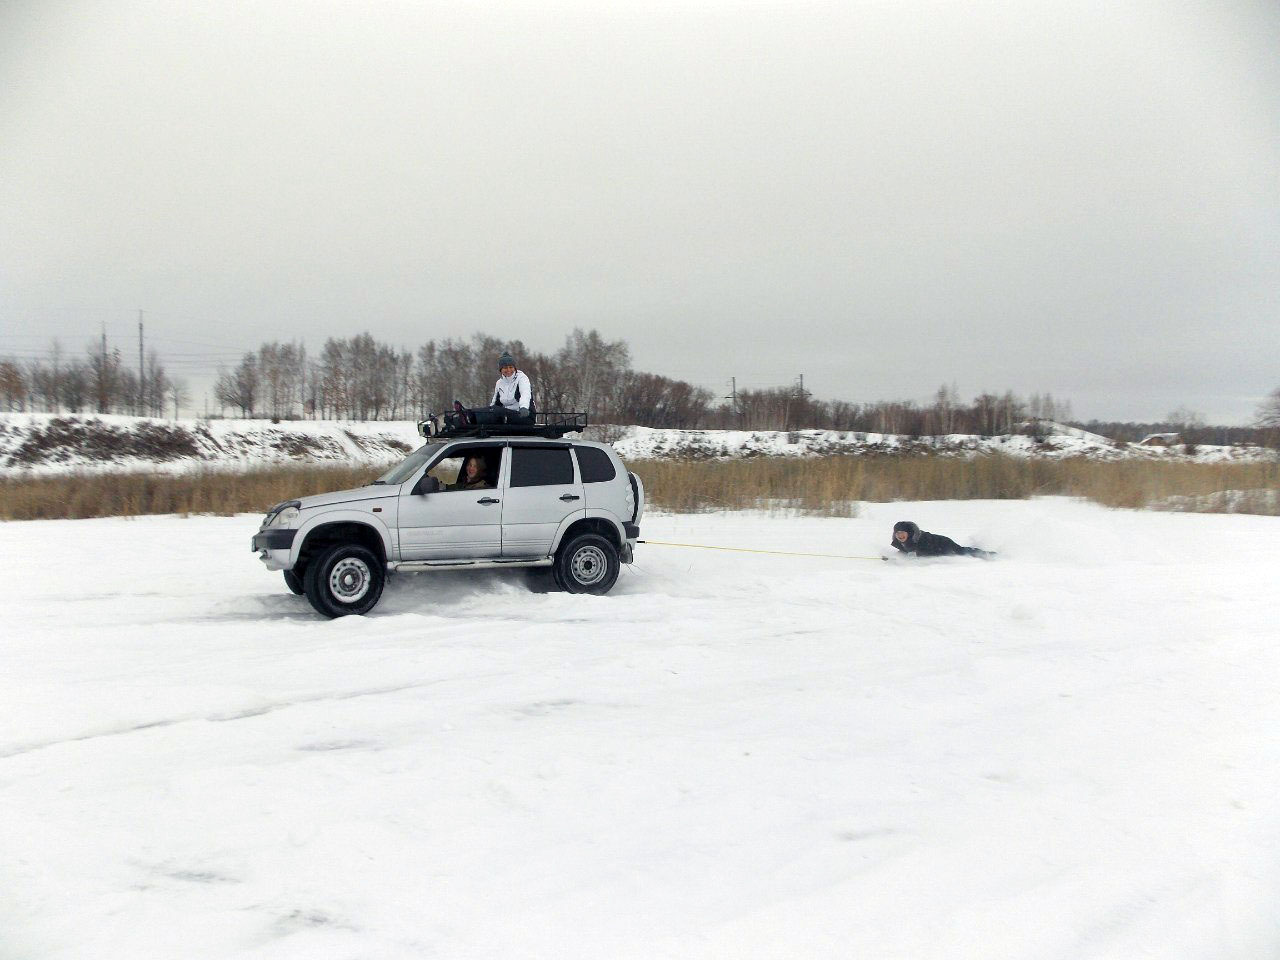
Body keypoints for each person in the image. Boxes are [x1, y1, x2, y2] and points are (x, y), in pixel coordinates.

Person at [469, 351, 534, 426]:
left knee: (497, 411)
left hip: (524, 415)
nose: (508, 370)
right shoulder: (499, 383)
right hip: (506, 415)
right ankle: (467, 415)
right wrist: (489, 411)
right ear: (501, 369)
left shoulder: (522, 379)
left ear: (514, 368)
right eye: (505, 368)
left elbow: (525, 394)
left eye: (511, 367)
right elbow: (494, 403)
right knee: (491, 410)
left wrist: (524, 407)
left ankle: (469, 418)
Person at [891, 521, 993, 558]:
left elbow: (925, 554)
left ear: (908, 533)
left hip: (943, 544)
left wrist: (914, 556)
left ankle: (986, 554)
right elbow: (904, 551)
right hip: (936, 547)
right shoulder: (899, 542)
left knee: (961, 551)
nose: (900, 536)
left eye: (902, 533)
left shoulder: (921, 540)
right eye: (897, 533)